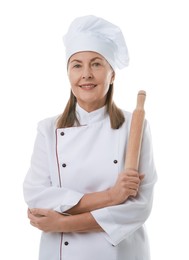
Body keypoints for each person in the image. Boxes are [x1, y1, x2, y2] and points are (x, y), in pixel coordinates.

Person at [23, 15, 157, 260]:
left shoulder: (134, 127)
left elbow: (138, 208)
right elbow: (37, 198)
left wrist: (63, 223)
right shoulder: (47, 130)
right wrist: (111, 197)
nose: (86, 74)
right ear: (68, 73)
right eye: (77, 65)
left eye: (96, 64)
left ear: (112, 74)